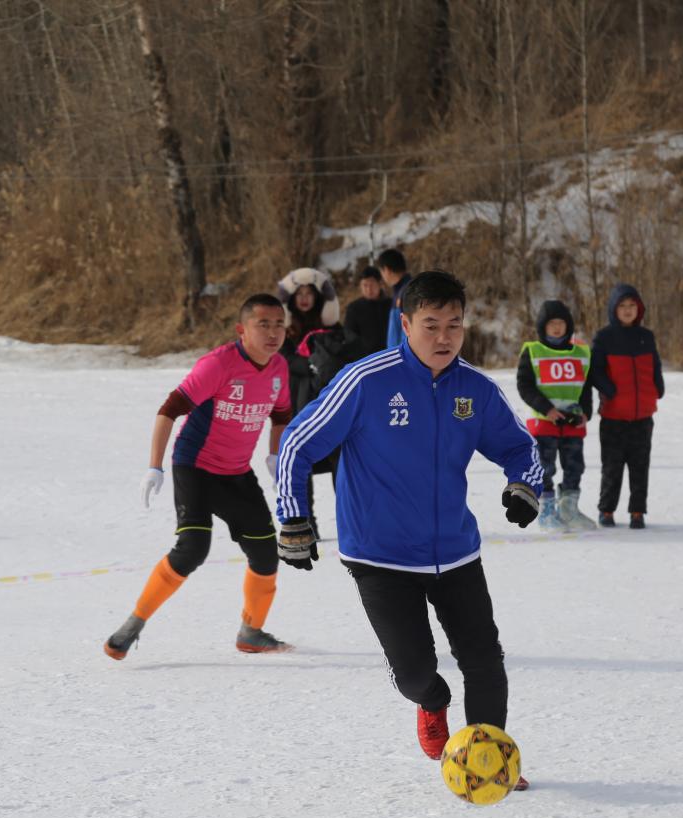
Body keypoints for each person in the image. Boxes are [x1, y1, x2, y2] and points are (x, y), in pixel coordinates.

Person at [275, 270, 540, 789]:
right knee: (416, 671)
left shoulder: (474, 390)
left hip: (455, 553)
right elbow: (297, 442)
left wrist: (523, 484)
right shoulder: (366, 380)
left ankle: (488, 761)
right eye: (431, 325)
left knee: (485, 660)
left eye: (455, 326)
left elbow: (520, 447)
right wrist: (292, 517)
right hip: (380, 557)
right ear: (405, 324)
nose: (444, 338)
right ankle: (432, 701)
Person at [104, 293, 294, 660]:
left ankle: (251, 633)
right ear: (242, 330)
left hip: (237, 473)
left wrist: (274, 455)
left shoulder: (278, 369)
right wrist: (154, 467)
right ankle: (131, 626)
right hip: (195, 467)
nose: (273, 333)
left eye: (279, 325)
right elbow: (168, 410)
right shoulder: (219, 364)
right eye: (263, 325)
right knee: (192, 549)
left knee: (266, 552)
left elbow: (282, 415)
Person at [588, 283, 665, 530]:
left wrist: (658, 387)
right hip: (613, 416)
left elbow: (655, 366)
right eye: (623, 306)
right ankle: (606, 510)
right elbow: (594, 371)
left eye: (632, 305)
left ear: (639, 308)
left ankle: (637, 512)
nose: (628, 310)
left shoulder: (647, 336)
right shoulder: (604, 337)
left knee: (640, 466)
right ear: (614, 309)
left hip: (642, 416)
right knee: (612, 466)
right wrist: (609, 391)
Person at [515, 299, 596, 531]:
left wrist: (586, 412)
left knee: (575, 466)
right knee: (544, 467)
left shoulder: (580, 353)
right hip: (545, 422)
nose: (557, 328)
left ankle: (569, 509)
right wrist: (546, 408)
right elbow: (525, 386)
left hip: (573, 422)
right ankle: (546, 512)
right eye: (552, 324)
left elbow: (585, 386)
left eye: (561, 323)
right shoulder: (533, 351)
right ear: (543, 327)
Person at [277, 268, 343, 538]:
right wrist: (309, 364)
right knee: (299, 461)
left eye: (309, 293)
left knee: (342, 462)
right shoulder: (284, 329)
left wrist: (325, 364)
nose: (304, 298)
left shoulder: (331, 328)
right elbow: (281, 358)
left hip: (332, 400)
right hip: (298, 398)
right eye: (300, 294)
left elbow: (343, 352)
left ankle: (350, 517)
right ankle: (307, 521)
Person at [343, 265, 393, 355]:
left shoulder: (391, 305)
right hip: (366, 359)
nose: (369, 289)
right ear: (360, 286)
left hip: (390, 353)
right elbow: (349, 336)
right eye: (365, 285)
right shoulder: (354, 308)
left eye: (372, 285)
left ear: (380, 284)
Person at [377, 248, 411, 349]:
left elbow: (409, 329)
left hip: (402, 357)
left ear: (386, 270)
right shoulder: (401, 290)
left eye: (381, 272)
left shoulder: (408, 291)